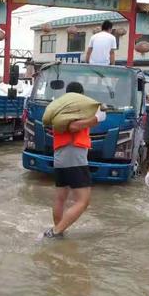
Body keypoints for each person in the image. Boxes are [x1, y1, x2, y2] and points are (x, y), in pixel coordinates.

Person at [42, 82, 106, 238]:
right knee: (83, 201)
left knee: (60, 198)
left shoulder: (60, 108)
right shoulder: (80, 107)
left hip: (59, 156)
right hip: (74, 154)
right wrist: (96, 119)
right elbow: (73, 127)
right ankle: (55, 232)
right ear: (81, 95)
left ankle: (59, 230)